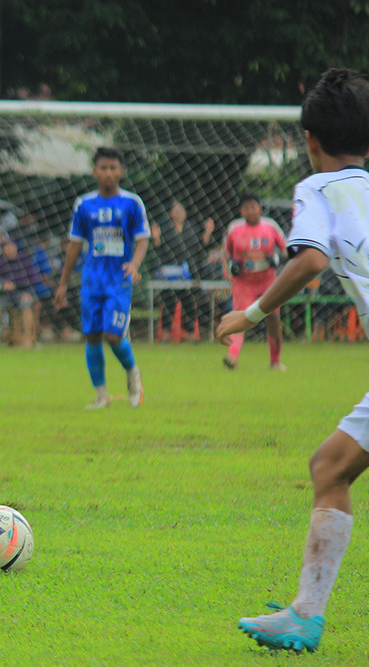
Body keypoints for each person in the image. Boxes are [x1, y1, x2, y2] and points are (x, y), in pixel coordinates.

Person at [217, 67, 369, 654]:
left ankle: (306, 614)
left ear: (309, 141)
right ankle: (305, 614)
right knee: (331, 467)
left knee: (331, 468)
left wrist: (250, 316)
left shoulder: (317, 190)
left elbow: (308, 263)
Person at [53, 147, 150, 410]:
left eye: (113, 168)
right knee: (93, 335)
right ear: (95, 171)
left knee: (113, 334)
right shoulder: (84, 205)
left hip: (118, 280)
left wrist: (135, 263)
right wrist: (63, 283)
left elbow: (142, 238)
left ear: (121, 171)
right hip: (91, 280)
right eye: (103, 168)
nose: (108, 173)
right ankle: (101, 396)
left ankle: (132, 373)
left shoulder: (132, 203)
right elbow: (75, 244)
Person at [222, 192, 288, 370]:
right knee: (241, 317)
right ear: (240, 211)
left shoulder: (270, 227)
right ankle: (232, 357)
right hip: (243, 282)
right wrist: (231, 264)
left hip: (267, 281)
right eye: (246, 208)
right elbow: (226, 252)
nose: (250, 211)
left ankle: (275, 361)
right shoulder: (234, 228)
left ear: (260, 208)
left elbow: (285, 249)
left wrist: (277, 258)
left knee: (273, 319)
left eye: (253, 207)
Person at [150, 200, 217, 341]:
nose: (179, 213)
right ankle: (166, 333)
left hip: (188, 272)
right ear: (171, 214)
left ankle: (191, 333)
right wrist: (156, 238)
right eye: (176, 211)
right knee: (168, 300)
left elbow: (200, 248)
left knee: (189, 301)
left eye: (181, 210)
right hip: (170, 272)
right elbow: (158, 248)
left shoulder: (191, 229)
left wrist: (207, 232)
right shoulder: (166, 229)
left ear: (185, 213)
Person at [0, 237, 40, 348]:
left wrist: (24, 289)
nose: (10, 250)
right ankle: (12, 333)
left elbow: (35, 278)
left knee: (26, 304)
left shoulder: (24, 260)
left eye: (12, 247)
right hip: (7, 296)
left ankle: (27, 338)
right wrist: (3, 283)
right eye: (7, 247)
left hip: (23, 293)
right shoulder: (1, 262)